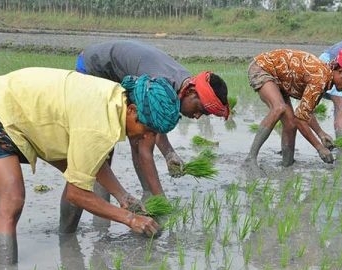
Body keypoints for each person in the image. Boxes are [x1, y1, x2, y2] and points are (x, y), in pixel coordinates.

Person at [0, 67, 181, 264]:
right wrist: (130, 219)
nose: (148, 136)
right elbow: (76, 194)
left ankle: (63, 243)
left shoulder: (114, 102)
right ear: (133, 110)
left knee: (78, 173)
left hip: (34, 117)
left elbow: (90, 162)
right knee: (12, 200)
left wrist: (123, 196)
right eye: (149, 129)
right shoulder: (99, 125)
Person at [72, 40, 230, 228]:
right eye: (200, 110)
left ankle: (137, 198)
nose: (197, 116)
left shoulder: (184, 84)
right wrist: (160, 198)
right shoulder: (161, 82)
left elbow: (155, 125)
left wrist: (169, 153)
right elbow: (143, 142)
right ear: (192, 94)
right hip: (94, 68)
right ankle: (101, 222)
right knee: (102, 148)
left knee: (135, 133)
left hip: (117, 72)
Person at [245, 49, 342, 167]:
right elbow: (300, 119)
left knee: (290, 124)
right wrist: (319, 148)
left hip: (280, 81)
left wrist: (321, 134)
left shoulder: (325, 77)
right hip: (262, 68)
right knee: (279, 108)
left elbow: (305, 112)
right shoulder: (320, 79)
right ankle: (250, 159)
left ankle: (287, 164)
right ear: (340, 71)